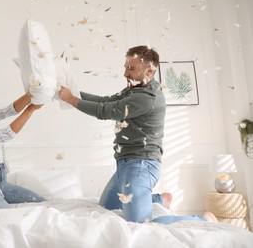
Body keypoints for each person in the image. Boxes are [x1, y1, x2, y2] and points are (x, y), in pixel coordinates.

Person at [58, 45, 217, 224]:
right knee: (106, 210)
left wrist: (71, 99)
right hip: (125, 166)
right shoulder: (135, 90)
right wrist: (72, 93)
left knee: (139, 225)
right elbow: (105, 101)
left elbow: (106, 111)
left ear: (149, 71)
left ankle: (202, 219)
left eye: (131, 69)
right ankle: (158, 199)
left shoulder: (146, 98)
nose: (126, 73)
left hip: (140, 166)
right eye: (126, 67)